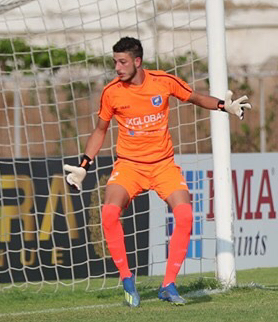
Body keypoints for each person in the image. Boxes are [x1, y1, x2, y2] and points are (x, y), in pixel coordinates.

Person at [63, 36, 251, 307]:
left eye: (122, 62)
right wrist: (84, 165)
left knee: (185, 215)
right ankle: (127, 279)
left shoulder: (163, 81)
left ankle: (168, 285)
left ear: (137, 61)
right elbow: (100, 130)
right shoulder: (112, 92)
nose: (117, 67)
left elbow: (196, 97)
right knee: (109, 213)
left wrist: (223, 106)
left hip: (163, 165)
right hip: (129, 166)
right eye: (115, 62)